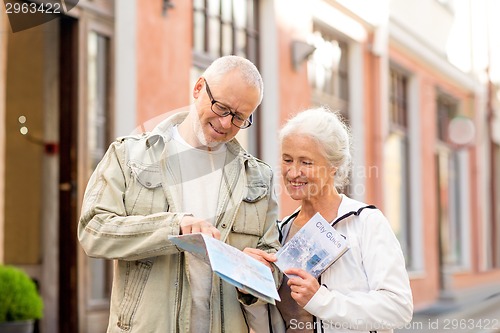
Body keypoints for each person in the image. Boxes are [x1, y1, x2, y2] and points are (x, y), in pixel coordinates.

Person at [78, 55, 281, 333]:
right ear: (198, 88)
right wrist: (173, 227)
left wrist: (258, 275)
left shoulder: (258, 178)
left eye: (239, 118)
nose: (225, 124)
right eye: (221, 107)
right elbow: (93, 231)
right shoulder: (129, 155)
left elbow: (273, 262)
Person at [272, 107, 413, 332]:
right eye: (287, 160)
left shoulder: (366, 223)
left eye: (306, 162)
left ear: (332, 166)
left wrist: (321, 300)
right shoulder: (280, 231)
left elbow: (398, 307)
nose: (292, 172)